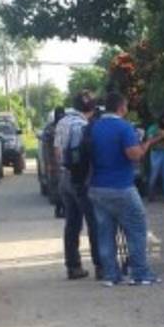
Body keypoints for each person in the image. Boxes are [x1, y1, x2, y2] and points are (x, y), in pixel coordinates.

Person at [89, 91, 164, 286]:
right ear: (121, 107)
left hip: (97, 187)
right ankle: (140, 273)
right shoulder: (123, 127)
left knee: (105, 232)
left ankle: (111, 275)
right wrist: (147, 143)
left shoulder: (93, 127)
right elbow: (134, 155)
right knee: (137, 228)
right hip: (121, 186)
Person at [54, 93, 102, 280]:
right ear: (91, 110)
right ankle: (101, 265)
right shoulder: (83, 126)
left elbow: (58, 152)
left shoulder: (63, 122)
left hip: (64, 178)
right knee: (94, 223)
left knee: (72, 224)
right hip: (81, 180)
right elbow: (86, 157)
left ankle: (73, 267)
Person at [42, 107, 66, 218]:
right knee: (55, 186)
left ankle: (65, 208)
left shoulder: (67, 126)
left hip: (66, 162)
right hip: (53, 162)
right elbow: (46, 147)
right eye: (59, 114)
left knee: (66, 187)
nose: (60, 116)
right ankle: (58, 208)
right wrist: (48, 163)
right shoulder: (49, 129)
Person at [145, 114, 164, 201]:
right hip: (156, 153)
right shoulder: (153, 128)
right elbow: (149, 142)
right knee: (154, 174)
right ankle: (150, 195)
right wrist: (161, 137)